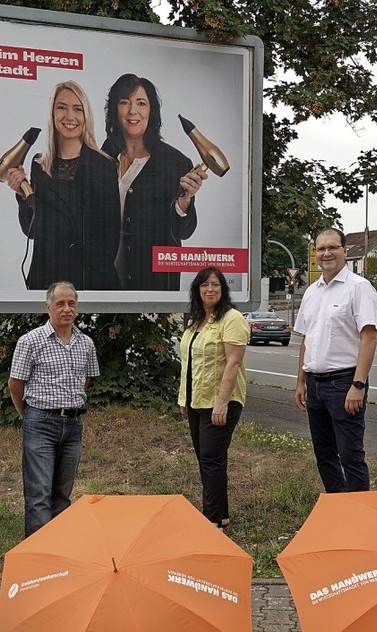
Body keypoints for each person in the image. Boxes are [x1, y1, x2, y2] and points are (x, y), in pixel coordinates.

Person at [6, 80, 121, 290]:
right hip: (45, 280)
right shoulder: (39, 165)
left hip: (89, 282)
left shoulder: (104, 165)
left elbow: (111, 236)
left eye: (77, 109)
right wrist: (23, 196)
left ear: (86, 116)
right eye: (62, 107)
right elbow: (32, 231)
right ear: (52, 114)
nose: (70, 116)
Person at [8, 282, 100, 537]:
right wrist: (26, 414)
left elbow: (87, 378)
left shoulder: (86, 343)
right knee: (39, 494)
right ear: (48, 307)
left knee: (62, 493)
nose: (66, 309)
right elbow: (15, 383)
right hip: (40, 422)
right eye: (60, 303)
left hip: (72, 425)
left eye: (71, 303)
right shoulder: (30, 341)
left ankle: (61, 550)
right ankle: (40, 558)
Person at [101, 73, 208, 291]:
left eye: (141, 103)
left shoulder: (175, 163)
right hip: (102, 281)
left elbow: (182, 232)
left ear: (152, 111)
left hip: (152, 285)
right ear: (115, 109)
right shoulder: (101, 156)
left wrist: (185, 199)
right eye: (125, 102)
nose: (133, 111)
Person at [294, 228, 377, 493]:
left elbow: (369, 337)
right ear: (315, 254)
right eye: (321, 249)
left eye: (332, 248)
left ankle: (360, 514)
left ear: (345, 250)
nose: (326, 253)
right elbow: (306, 340)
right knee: (324, 454)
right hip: (315, 386)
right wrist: (300, 382)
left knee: (351, 455)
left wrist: (359, 385)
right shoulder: (311, 292)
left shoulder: (359, 288)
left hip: (344, 384)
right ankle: (338, 507)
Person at [177, 267, 249, 528]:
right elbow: (189, 361)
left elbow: (233, 363)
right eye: (205, 285)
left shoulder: (232, 318)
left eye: (216, 285)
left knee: (210, 458)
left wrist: (222, 403)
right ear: (197, 289)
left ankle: (211, 522)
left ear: (223, 289)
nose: (210, 289)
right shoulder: (196, 320)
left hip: (221, 401)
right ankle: (222, 514)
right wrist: (184, 398)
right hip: (196, 400)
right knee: (208, 458)